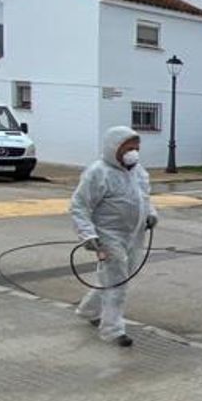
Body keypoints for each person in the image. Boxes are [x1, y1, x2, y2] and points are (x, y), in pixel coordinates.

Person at [70, 125, 158, 347]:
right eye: (128, 148)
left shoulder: (138, 172)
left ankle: (88, 310)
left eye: (136, 148)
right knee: (117, 283)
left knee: (116, 278)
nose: (133, 153)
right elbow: (79, 206)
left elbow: (144, 198)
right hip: (108, 236)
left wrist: (151, 214)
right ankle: (113, 329)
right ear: (114, 147)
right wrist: (88, 234)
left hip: (134, 234)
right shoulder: (98, 173)